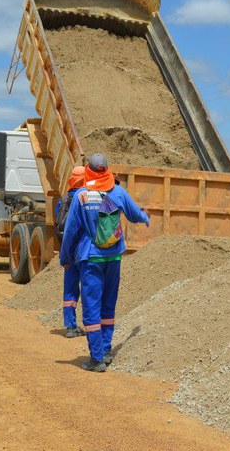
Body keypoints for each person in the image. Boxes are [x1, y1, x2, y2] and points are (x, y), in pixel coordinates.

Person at [60, 153, 150, 372]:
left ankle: (97, 358)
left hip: (90, 258)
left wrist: (65, 258)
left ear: (88, 171)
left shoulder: (81, 196)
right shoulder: (118, 191)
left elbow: (70, 231)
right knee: (108, 304)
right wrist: (145, 218)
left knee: (92, 305)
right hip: (114, 257)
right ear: (107, 170)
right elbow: (135, 214)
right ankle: (107, 350)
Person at [55, 165, 85, 338]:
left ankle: (70, 326)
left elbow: (59, 224)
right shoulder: (87, 197)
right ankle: (92, 327)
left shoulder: (64, 199)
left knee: (70, 289)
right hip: (84, 250)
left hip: (68, 249)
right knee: (88, 287)